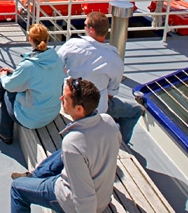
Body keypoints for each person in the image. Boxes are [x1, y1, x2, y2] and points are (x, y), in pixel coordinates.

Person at [8, 78, 120, 213]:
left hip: (71, 203)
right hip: (103, 195)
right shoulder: (108, 122)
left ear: (79, 109)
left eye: (65, 98)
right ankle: (35, 176)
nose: (61, 99)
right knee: (65, 151)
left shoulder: (74, 143)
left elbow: (84, 197)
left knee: (17, 188)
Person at [57, 11, 142, 144]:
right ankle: (120, 142)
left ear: (91, 29)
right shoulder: (115, 59)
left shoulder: (72, 45)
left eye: (85, 25)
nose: (84, 28)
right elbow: (111, 93)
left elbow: (56, 67)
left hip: (69, 105)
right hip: (97, 109)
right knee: (136, 110)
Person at [0, 23, 64, 145]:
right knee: (7, 81)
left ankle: (4, 132)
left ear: (30, 39)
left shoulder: (28, 65)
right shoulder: (56, 59)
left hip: (33, 118)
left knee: (5, 89)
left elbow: (9, 86)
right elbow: (40, 78)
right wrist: (14, 72)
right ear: (47, 39)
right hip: (51, 111)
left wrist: (4, 75)